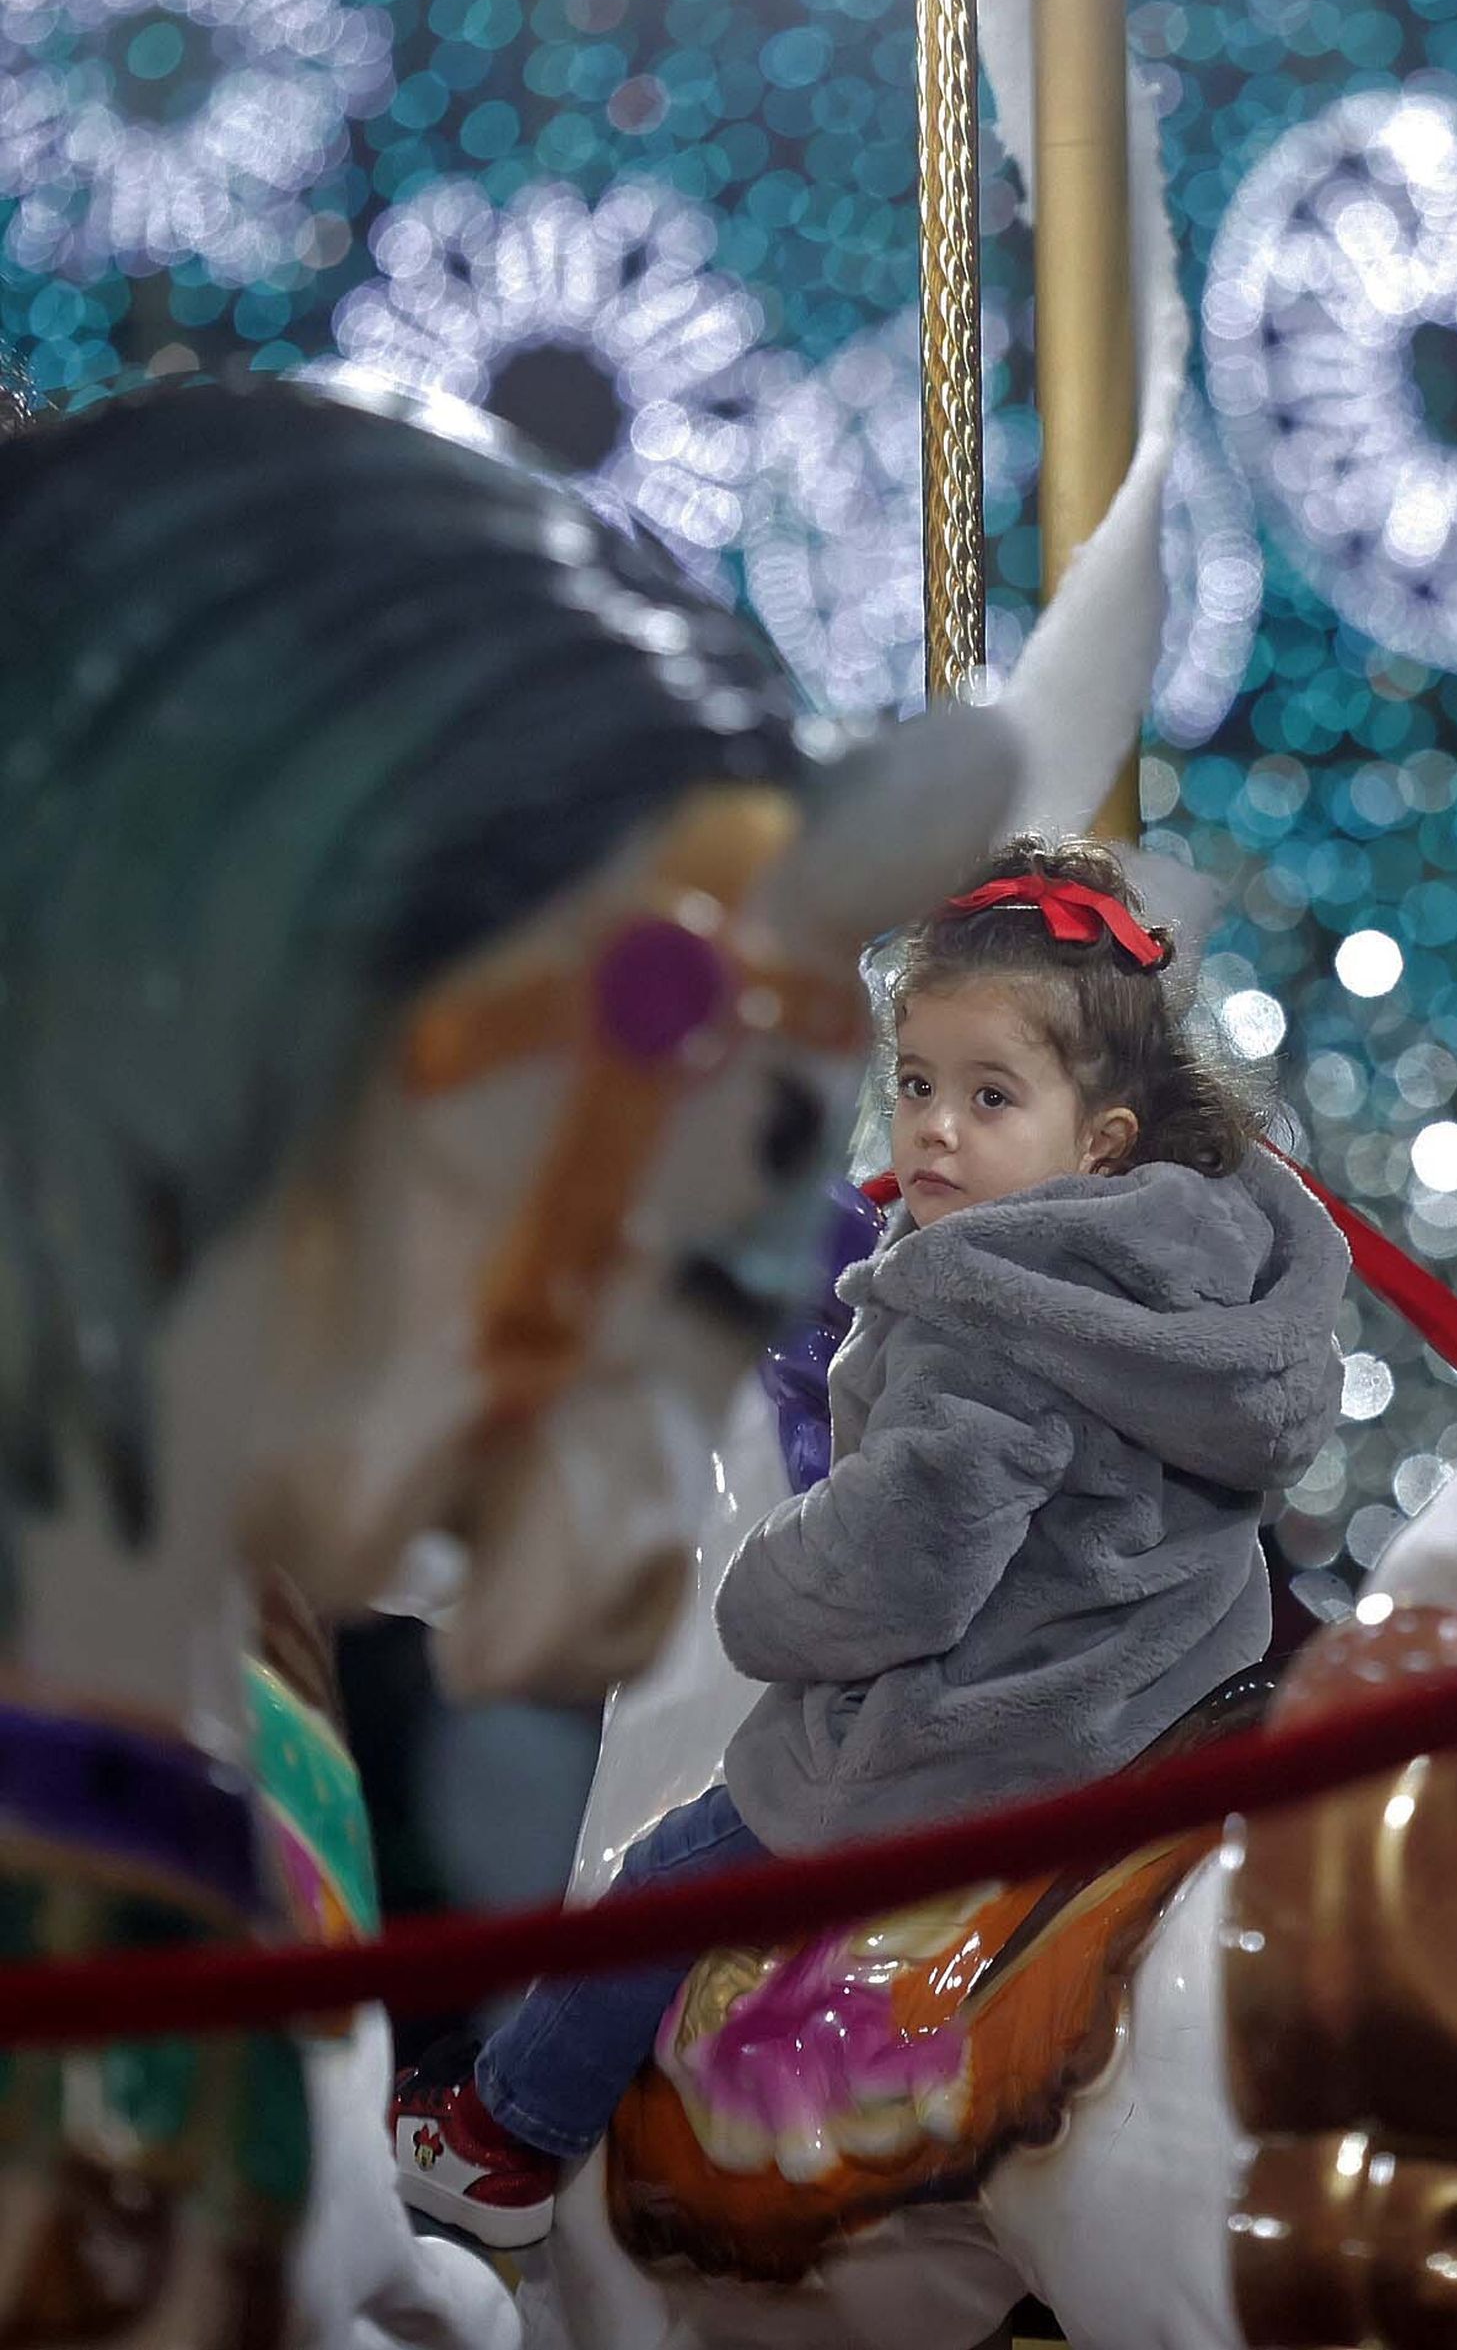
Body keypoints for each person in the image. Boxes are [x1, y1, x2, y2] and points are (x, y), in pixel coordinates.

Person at [391, 838, 1348, 2244]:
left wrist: (761, 1597)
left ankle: (504, 2142)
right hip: (1170, 1688)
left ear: (1103, 1138)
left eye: (990, 1096)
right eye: (916, 1086)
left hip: (998, 1721)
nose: (934, 1131)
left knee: (668, 1873)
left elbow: (905, 1560)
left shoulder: (983, 1301)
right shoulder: (1207, 1263)